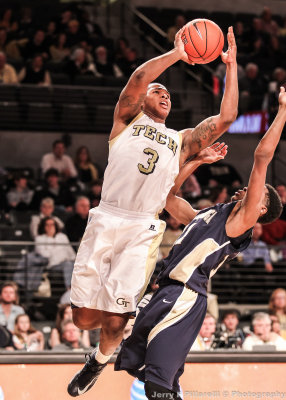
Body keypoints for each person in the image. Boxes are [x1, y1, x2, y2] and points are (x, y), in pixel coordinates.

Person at [67, 26, 238, 397]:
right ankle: (118, 325)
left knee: (114, 321)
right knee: (82, 318)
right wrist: (178, 53)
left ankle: (98, 360)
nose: (164, 94)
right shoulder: (126, 121)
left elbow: (225, 119)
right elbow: (139, 77)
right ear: (141, 100)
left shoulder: (180, 140)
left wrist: (231, 66)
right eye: (158, 91)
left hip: (142, 229)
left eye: (169, 95)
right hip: (106, 217)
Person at [115, 87, 286, 399]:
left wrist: (283, 111)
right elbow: (167, 197)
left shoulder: (240, 223)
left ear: (260, 210)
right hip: (165, 291)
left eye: (258, 190)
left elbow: (262, 156)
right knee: (152, 379)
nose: (250, 185)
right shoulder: (211, 213)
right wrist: (197, 161)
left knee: (158, 387)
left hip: (186, 295)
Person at [35, 217, 76, 291]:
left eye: (52, 225)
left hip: (67, 262)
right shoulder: (39, 239)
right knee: (68, 264)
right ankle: (69, 289)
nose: (50, 227)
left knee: (73, 264)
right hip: (51, 265)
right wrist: (51, 239)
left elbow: (70, 252)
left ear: (56, 226)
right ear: (43, 227)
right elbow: (45, 255)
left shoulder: (62, 237)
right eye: (47, 225)